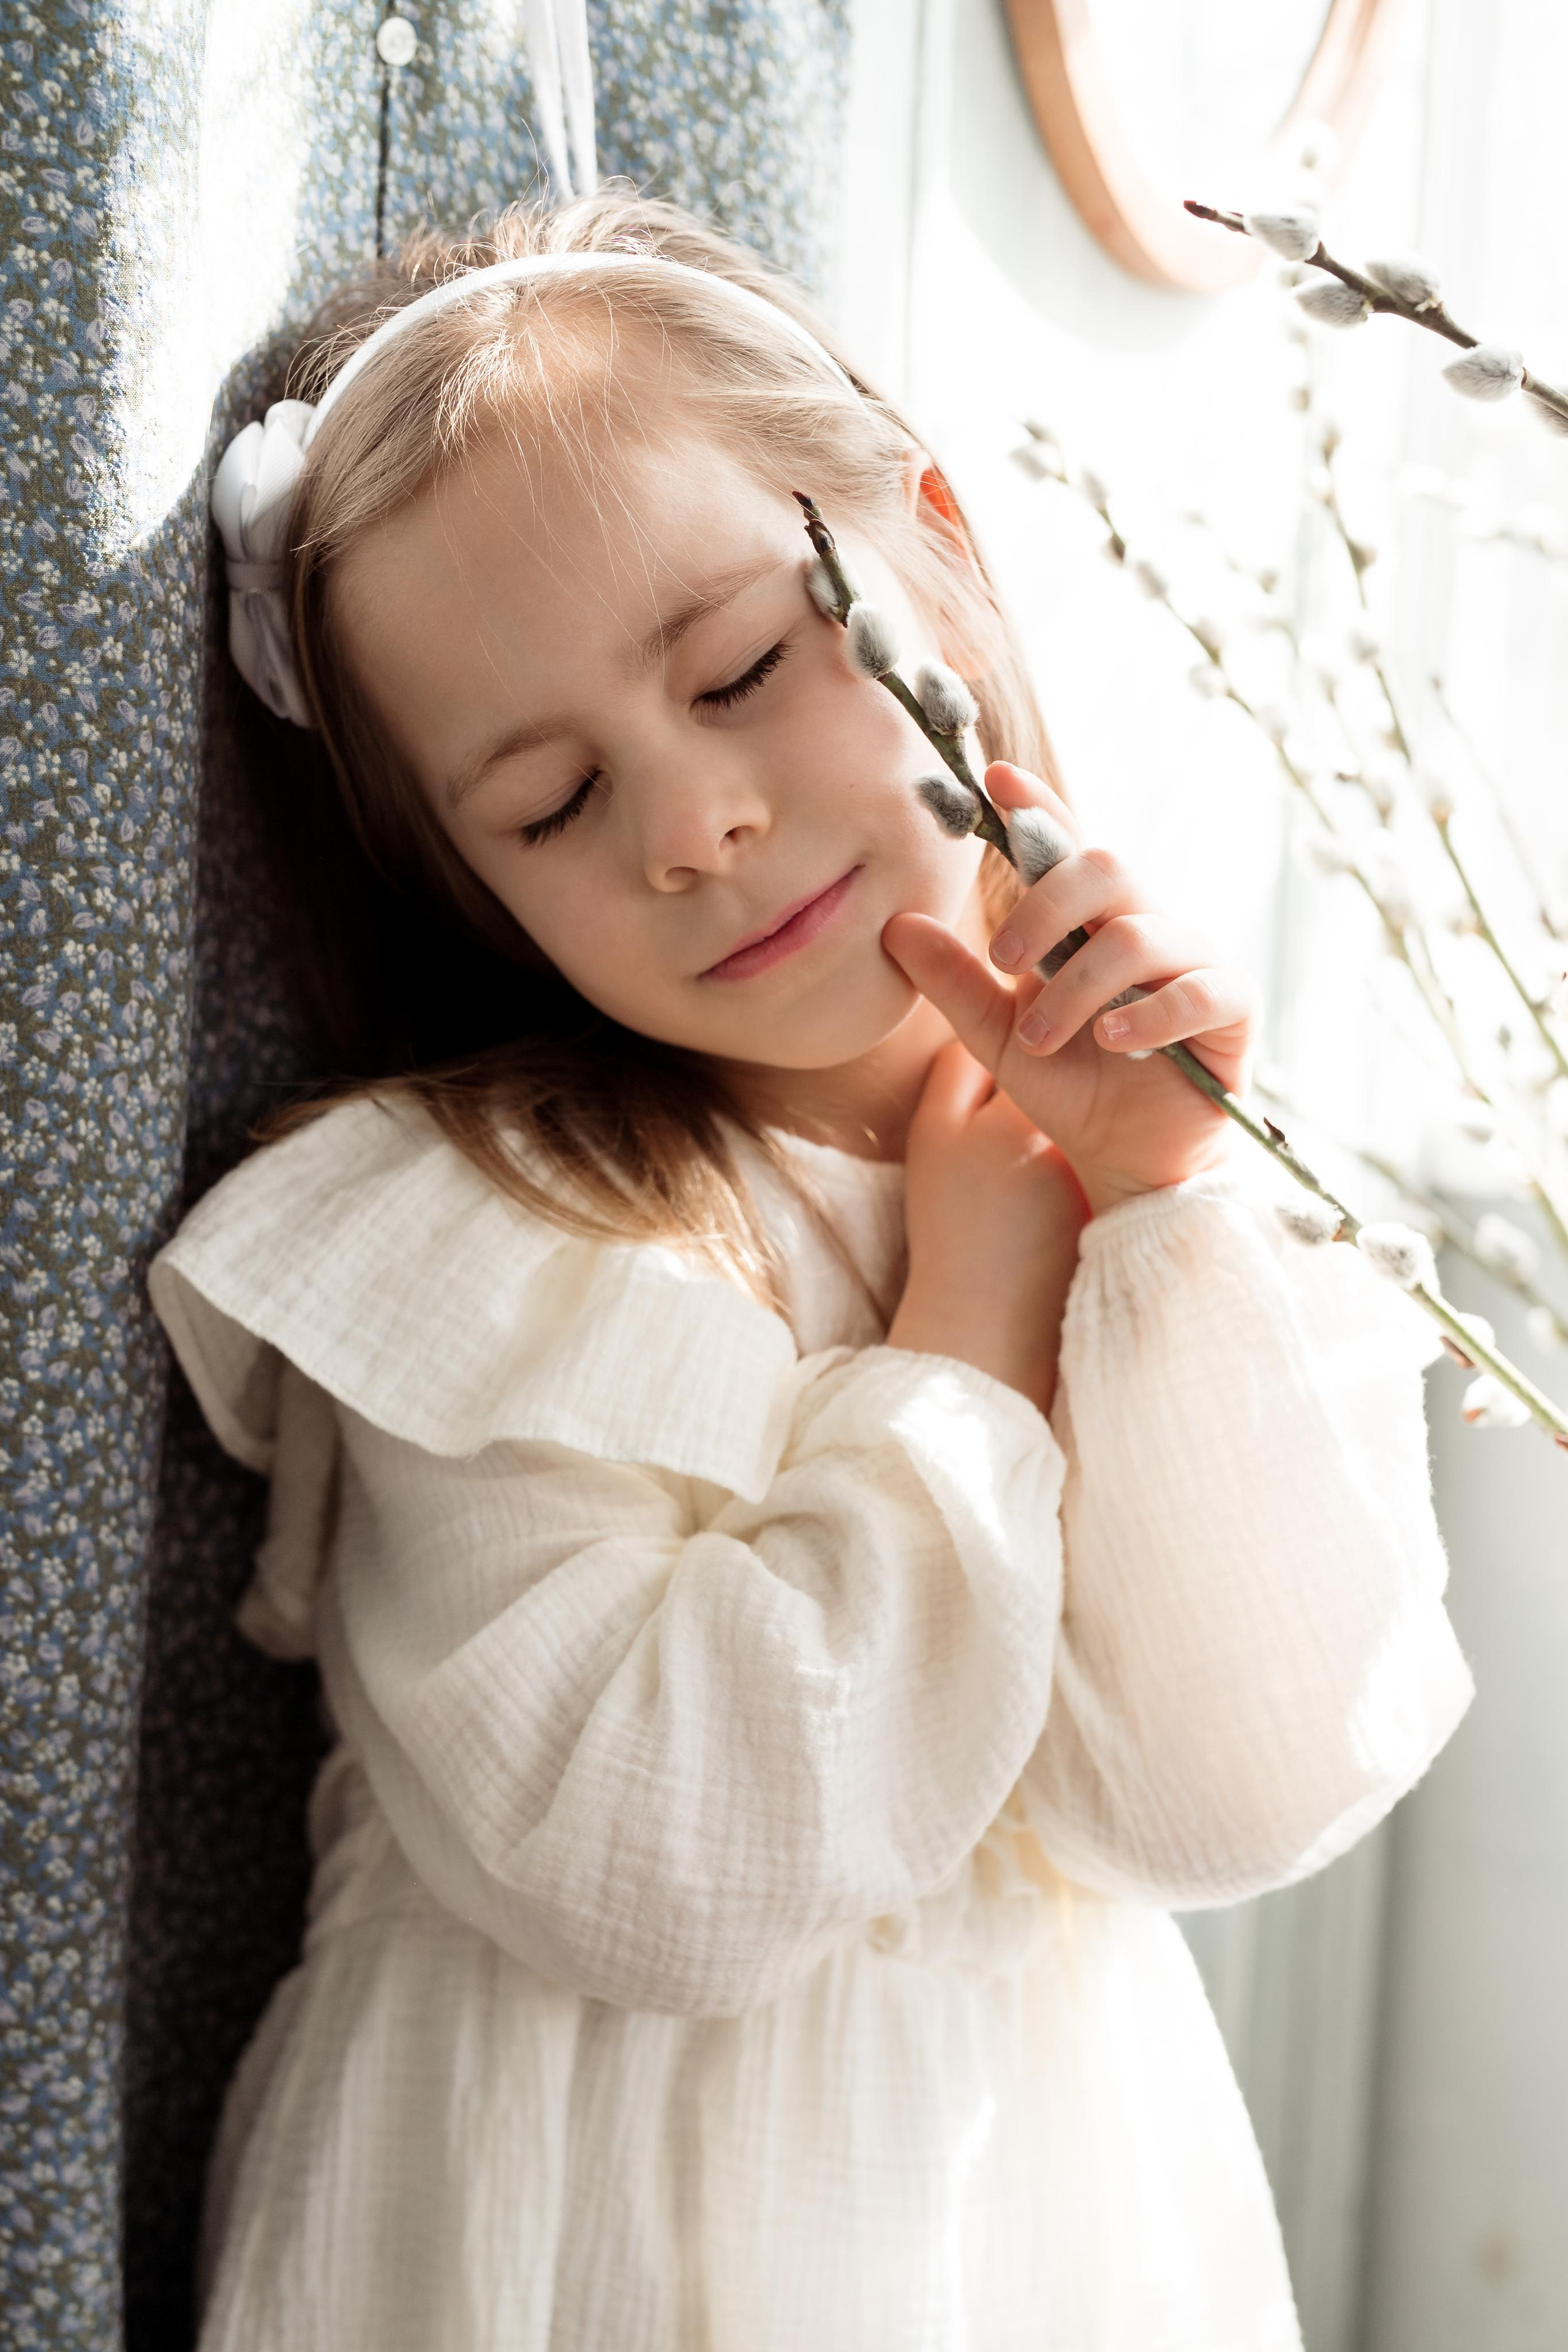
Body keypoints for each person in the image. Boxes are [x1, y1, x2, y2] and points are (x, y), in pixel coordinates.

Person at [149, 190, 1472, 2350]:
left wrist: (1157, 1218)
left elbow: (1240, 1785)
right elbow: (673, 1863)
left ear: (925, 532)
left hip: (1024, 2248)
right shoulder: (479, 1242)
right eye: (554, 803)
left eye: (745, 669)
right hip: (551, 2266)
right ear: (474, 893)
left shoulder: (1168, 1193)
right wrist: (958, 1338)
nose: (690, 823)